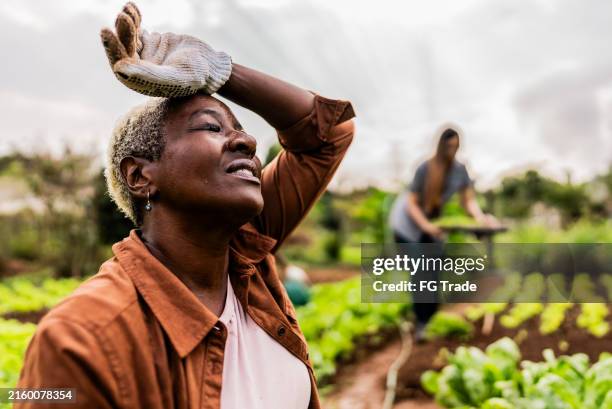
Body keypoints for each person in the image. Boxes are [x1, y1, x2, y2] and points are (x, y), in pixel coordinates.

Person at [16, 3, 354, 409]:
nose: (246, 143)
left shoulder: (246, 257)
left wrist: (221, 71)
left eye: (241, 131)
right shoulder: (81, 341)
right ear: (140, 177)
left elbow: (327, 132)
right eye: (211, 127)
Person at [388, 125, 497, 341]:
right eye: (448, 146)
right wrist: (427, 227)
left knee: (435, 268)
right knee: (421, 271)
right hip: (407, 223)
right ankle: (421, 324)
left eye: (456, 147)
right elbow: (411, 204)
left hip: (431, 222)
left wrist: (480, 219)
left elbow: (469, 201)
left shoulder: (459, 170)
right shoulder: (425, 168)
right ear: (440, 145)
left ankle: (431, 318)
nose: (452, 151)